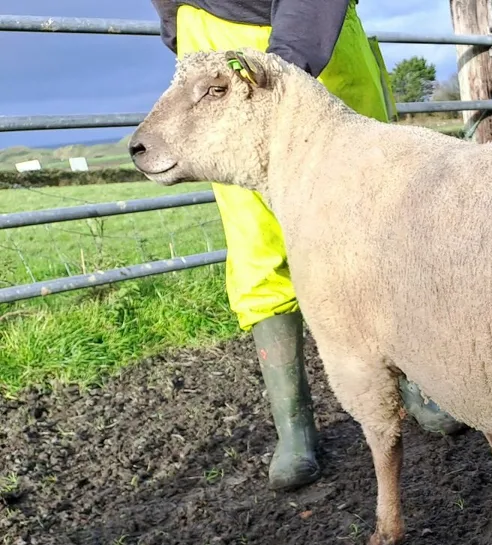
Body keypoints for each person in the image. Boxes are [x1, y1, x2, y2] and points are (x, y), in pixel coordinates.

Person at [148, 0, 464, 491]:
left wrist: (284, 71)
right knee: (257, 235)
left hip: (320, 28)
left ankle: (419, 377)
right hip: (213, 30)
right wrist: (180, 27)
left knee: (378, 215)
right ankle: (293, 424)